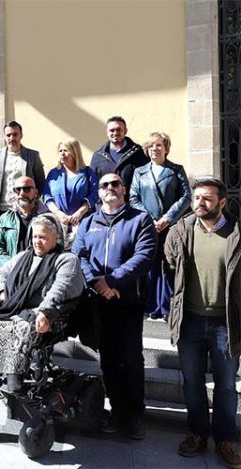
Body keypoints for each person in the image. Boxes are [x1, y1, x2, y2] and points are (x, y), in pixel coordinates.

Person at [72, 173, 157, 439]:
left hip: (128, 301)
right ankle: (116, 410)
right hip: (98, 303)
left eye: (115, 184)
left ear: (124, 189)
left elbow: (144, 256)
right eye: (105, 185)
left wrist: (111, 280)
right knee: (108, 361)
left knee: (131, 359)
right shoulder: (88, 222)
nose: (110, 188)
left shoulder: (140, 220)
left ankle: (134, 416)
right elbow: (78, 254)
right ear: (98, 192)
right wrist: (96, 284)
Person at [164, 178, 241, 467]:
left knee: (225, 386)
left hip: (226, 323)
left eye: (207, 199)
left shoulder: (237, 233)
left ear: (222, 202)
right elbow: (170, 266)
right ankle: (197, 434)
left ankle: (224, 440)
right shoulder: (180, 231)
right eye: (196, 198)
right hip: (190, 320)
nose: (200, 203)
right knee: (192, 383)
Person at [0, 214, 85, 390]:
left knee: (22, 325)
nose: (37, 241)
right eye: (35, 236)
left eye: (42, 237)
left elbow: (59, 289)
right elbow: (0, 274)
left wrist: (45, 311)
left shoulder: (66, 259)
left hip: (47, 312)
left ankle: (15, 372)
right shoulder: (23, 256)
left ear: (56, 237)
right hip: (16, 305)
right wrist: (2, 292)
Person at [129, 132, 191, 320]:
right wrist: (150, 219)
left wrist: (167, 218)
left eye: (158, 145)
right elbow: (133, 198)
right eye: (151, 146)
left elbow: (186, 197)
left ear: (166, 148)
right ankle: (151, 305)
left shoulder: (176, 170)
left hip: (170, 226)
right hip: (149, 226)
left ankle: (166, 306)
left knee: (170, 265)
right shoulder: (139, 172)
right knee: (150, 265)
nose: (154, 149)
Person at [42, 139, 98, 248]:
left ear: (74, 152)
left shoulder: (88, 173)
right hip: (59, 224)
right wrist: (59, 214)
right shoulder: (53, 174)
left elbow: (94, 194)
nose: (62, 154)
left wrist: (79, 213)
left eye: (66, 150)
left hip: (83, 222)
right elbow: (47, 196)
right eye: (60, 151)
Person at [0, 121, 45, 218]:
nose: (12, 138)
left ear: (21, 135)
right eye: (8, 135)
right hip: (2, 210)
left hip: (26, 210)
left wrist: (31, 201)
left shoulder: (33, 156)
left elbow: (40, 182)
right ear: (5, 137)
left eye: (15, 134)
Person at [0, 176, 49, 268]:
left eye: (27, 189)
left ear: (36, 192)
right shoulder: (5, 219)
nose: (21, 193)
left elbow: (55, 247)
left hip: (39, 273)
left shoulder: (48, 218)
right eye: (18, 189)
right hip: (12, 271)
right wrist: (11, 265)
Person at [89, 116, 149, 194]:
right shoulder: (98, 156)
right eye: (112, 130)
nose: (115, 133)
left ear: (125, 131)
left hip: (131, 204)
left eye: (119, 129)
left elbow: (146, 181)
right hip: (105, 204)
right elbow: (92, 184)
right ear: (107, 132)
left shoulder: (139, 153)